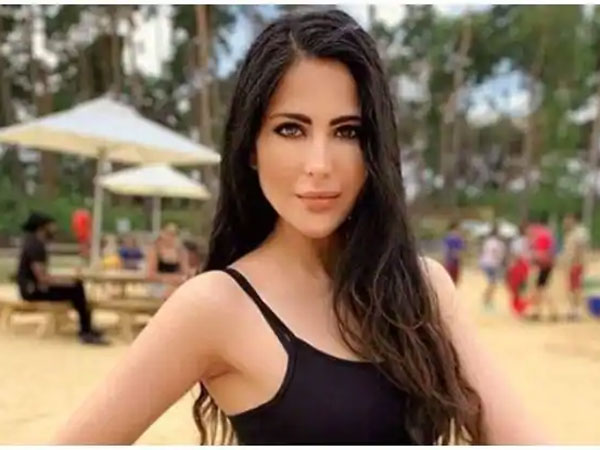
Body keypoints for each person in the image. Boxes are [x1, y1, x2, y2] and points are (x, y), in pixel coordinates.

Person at [54, 10, 546, 445]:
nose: (319, 164)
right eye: (291, 129)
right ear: (251, 146)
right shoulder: (214, 307)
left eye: (347, 131)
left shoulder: (423, 290)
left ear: (375, 148)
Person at [17, 212, 107, 345]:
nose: (54, 229)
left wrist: (64, 280)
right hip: (33, 291)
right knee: (76, 289)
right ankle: (85, 331)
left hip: (32, 288)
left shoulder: (33, 242)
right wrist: (65, 281)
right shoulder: (36, 246)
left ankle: (87, 327)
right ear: (42, 227)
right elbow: (43, 278)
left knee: (75, 286)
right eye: (51, 226)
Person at [526, 216, 558, 321]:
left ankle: (544, 312)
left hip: (540, 263)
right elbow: (553, 249)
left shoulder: (535, 233)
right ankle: (540, 311)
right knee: (541, 287)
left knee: (540, 288)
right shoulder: (549, 234)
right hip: (548, 263)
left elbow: (533, 249)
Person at [147, 223, 189, 299]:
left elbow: (185, 272)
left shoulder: (181, 252)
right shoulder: (155, 251)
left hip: (176, 284)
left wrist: (179, 279)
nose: (170, 237)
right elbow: (150, 275)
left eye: (173, 234)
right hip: (158, 285)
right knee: (169, 293)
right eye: (168, 234)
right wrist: (169, 279)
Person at [562, 213, 589, 321]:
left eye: (567, 221)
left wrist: (576, 263)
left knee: (576, 288)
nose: (565, 223)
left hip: (576, 264)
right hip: (570, 264)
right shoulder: (569, 234)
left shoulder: (579, 233)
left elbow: (579, 249)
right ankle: (572, 309)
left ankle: (577, 311)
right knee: (571, 288)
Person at [479, 224, 506, 312]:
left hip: (485, 263)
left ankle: (487, 298)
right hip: (493, 264)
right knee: (493, 283)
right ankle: (487, 298)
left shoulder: (488, 242)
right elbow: (497, 254)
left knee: (492, 282)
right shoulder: (498, 243)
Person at [506, 222, 531, 317]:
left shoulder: (520, 241)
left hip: (521, 265)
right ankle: (520, 308)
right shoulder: (524, 241)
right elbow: (516, 255)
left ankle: (520, 308)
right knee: (521, 288)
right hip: (521, 265)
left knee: (519, 288)